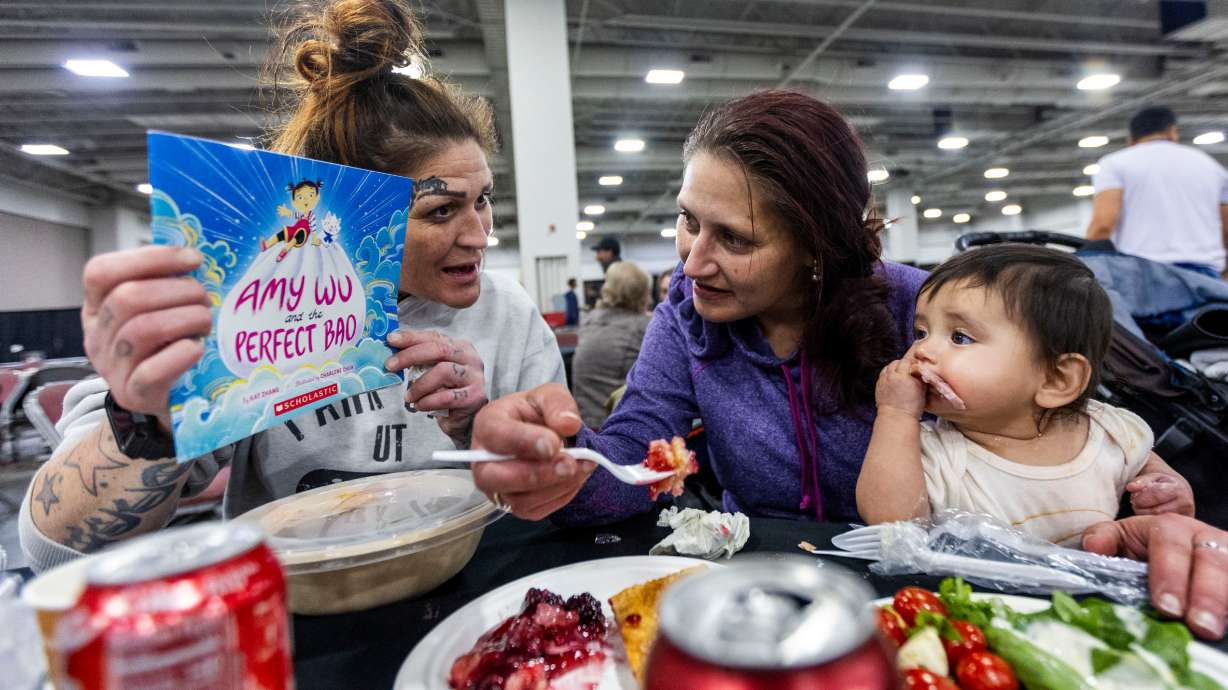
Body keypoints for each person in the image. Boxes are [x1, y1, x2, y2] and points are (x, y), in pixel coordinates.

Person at [19, 0, 564, 572]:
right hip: (301, 621)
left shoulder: (508, 312)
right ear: (357, 213)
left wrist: (479, 425)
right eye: (441, 211)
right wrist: (149, 421)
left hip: (480, 601)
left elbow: (564, 494)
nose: (481, 235)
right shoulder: (253, 313)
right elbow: (54, 550)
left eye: (483, 201)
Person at [468, 90, 928, 525]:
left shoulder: (922, 313)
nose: (691, 262)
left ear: (816, 247)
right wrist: (566, 458)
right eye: (689, 220)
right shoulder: (687, 318)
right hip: (753, 573)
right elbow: (636, 453)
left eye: (733, 238)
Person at [856, 245, 1195, 546]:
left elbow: (1151, 470)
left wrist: (1168, 492)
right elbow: (892, 524)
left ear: (1056, 379)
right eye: (921, 332)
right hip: (980, 604)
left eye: (959, 337)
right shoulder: (931, 451)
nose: (921, 349)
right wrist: (896, 415)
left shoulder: (1108, 430)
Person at [1086, 106, 1228, 279]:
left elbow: (1103, 225)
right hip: (1205, 276)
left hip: (1144, 274)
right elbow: (1226, 227)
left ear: (1130, 138)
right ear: (1172, 131)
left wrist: (1086, 268)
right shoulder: (1211, 166)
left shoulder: (1115, 163)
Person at [571, 262, 652, 428]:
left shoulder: (589, 320)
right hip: (617, 426)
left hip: (582, 423)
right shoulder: (643, 327)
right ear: (642, 292)